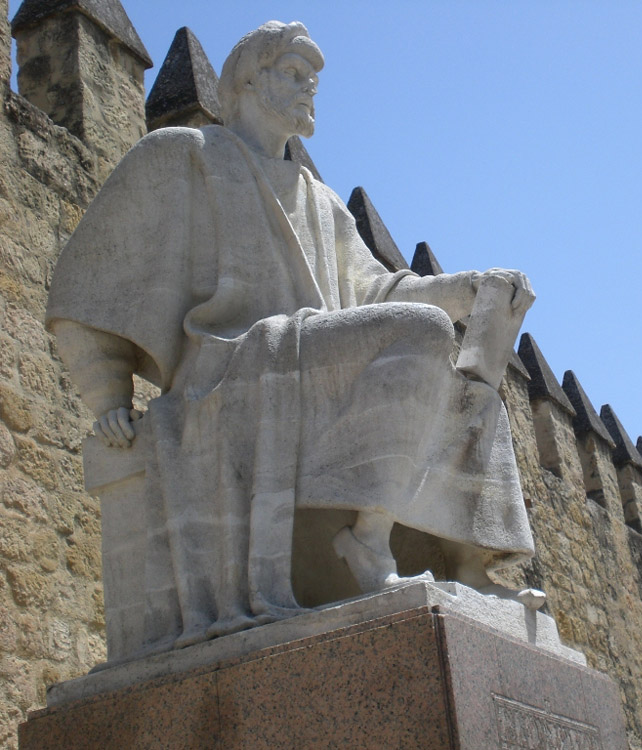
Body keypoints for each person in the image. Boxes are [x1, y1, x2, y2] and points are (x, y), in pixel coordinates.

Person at [46, 21, 541, 657]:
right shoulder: (183, 155)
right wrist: (106, 388)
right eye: (293, 74)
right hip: (236, 368)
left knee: (470, 383)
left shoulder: (320, 199)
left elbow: (377, 293)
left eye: (315, 79)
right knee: (422, 333)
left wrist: (471, 289)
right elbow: (93, 276)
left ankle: (470, 564)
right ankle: (366, 542)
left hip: (314, 361)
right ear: (247, 80)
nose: (310, 88)